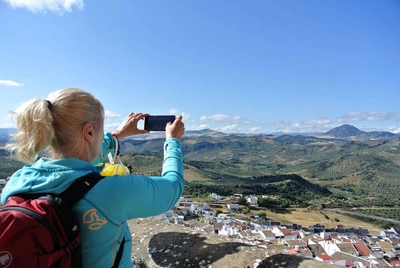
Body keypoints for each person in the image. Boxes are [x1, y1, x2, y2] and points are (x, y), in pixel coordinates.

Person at [1, 88, 185, 267]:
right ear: (89, 132)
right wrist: (173, 141)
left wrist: (116, 136)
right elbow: (173, 187)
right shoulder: (112, 192)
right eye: (100, 128)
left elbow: (76, 159)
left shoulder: (18, 181)